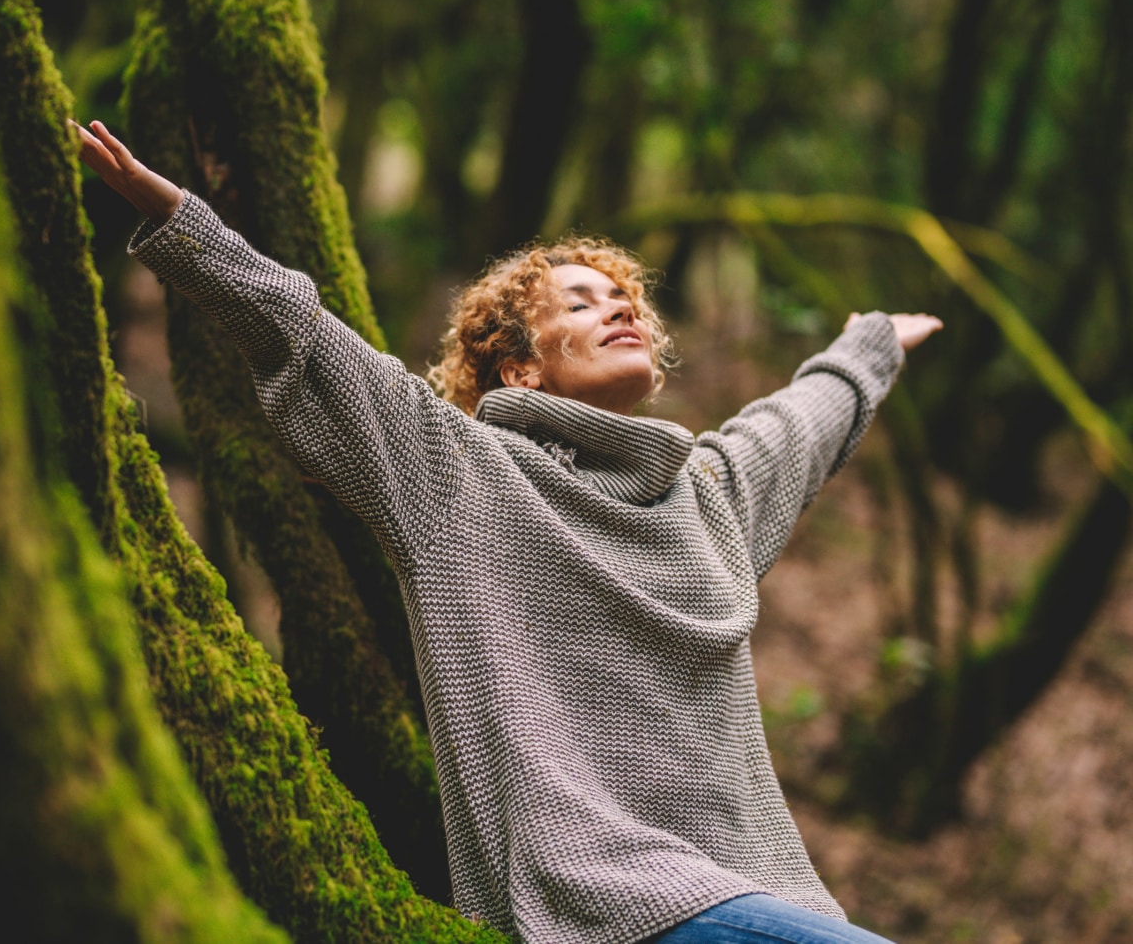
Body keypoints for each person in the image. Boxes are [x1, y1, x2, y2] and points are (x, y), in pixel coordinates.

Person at [77, 119, 943, 944]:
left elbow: (795, 425)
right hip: (593, 904)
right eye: (583, 302)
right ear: (521, 366)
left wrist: (869, 348)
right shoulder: (459, 476)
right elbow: (311, 341)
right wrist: (181, 222)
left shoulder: (706, 497)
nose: (619, 310)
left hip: (761, 897)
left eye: (624, 300)